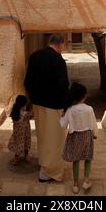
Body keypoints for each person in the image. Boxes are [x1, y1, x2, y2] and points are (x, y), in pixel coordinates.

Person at [24, 34, 69, 182]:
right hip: (54, 105)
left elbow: (28, 81)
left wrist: (33, 97)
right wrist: (65, 106)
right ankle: (50, 172)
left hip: (38, 104)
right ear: (60, 44)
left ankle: (44, 163)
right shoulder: (58, 59)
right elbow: (63, 84)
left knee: (43, 135)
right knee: (55, 139)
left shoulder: (35, 56)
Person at [60, 82, 98, 194]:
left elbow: (63, 125)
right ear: (84, 96)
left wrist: (62, 116)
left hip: (75, 137)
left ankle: (76, 184)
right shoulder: (89, 109)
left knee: (75, 160)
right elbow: (93, 123)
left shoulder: (70, 110)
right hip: (87, 136)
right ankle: (86, 181)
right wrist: (95, 133)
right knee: (87, 158)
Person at [8, 94, 31, 165]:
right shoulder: (24, 113)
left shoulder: (15, 111)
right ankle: (24, 156)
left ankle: (17, 157)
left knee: (18, 143)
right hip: (24, 131)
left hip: (17, 132)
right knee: (25, 141)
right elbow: (30, 114)